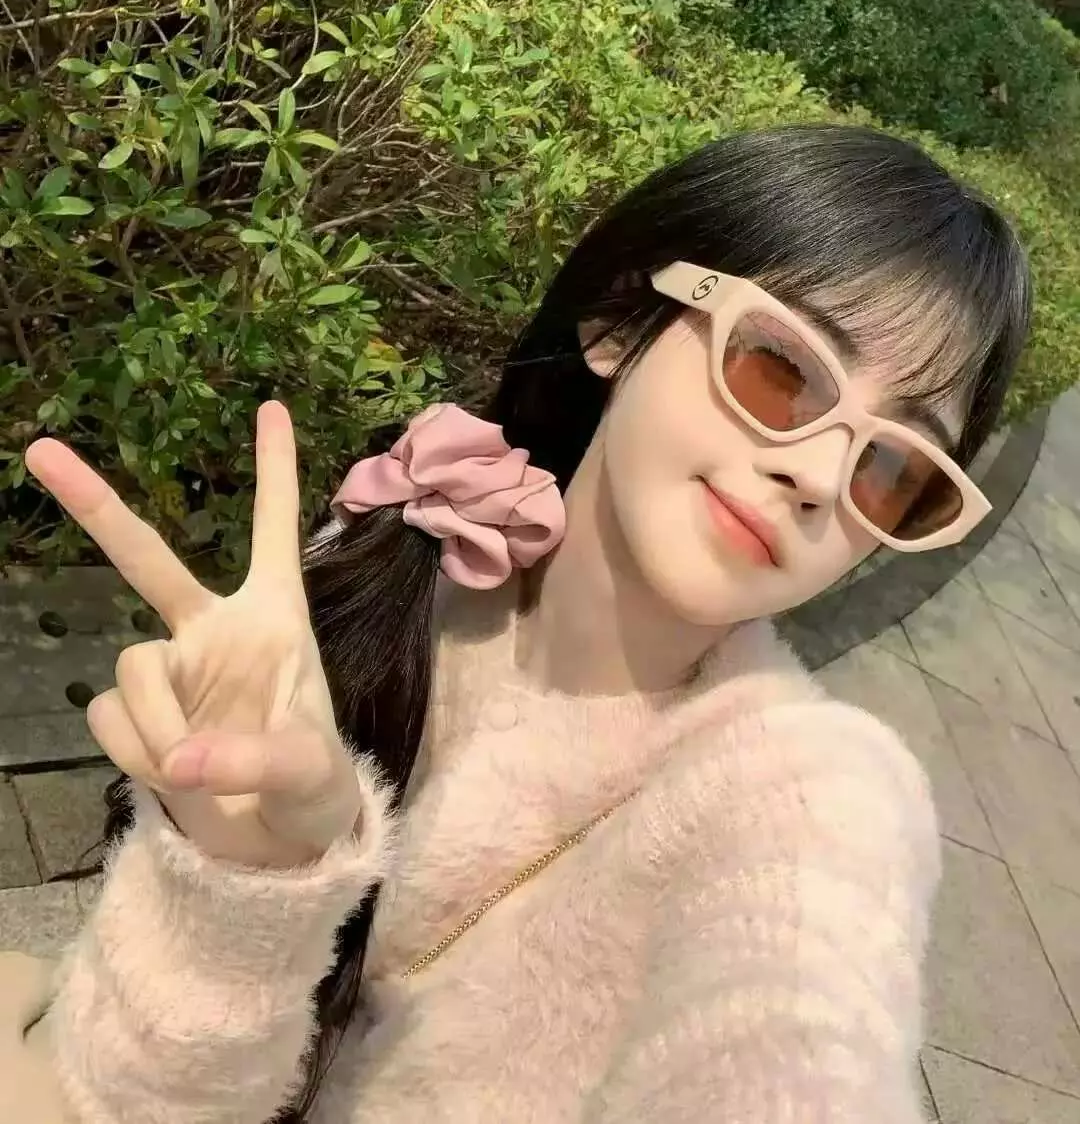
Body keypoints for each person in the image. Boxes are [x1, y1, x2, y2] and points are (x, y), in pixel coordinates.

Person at [0, 125, 1030, 1123]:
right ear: (620, 322)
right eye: (782, 368)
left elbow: (802, 1031)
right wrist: (240, 881)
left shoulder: (812, 793)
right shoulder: (399, 553)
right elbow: (131, 1096)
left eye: (892, 468)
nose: (818, 475)